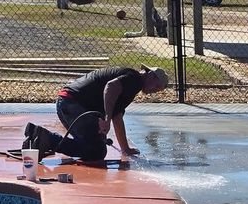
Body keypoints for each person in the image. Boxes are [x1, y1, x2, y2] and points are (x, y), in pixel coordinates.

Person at [22, 65, 169, 163]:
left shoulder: (131, 82)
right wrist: (106, 119)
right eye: (156, 87)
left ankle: (39, 136)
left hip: (68, 103)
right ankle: (47, 139)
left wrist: (125, 149)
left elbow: (117, 117)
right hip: (72, 104)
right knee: (96, 151)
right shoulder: (134, 79)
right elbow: (110, 87)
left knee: (93, 147)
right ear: (151, 75)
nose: (153, 91)